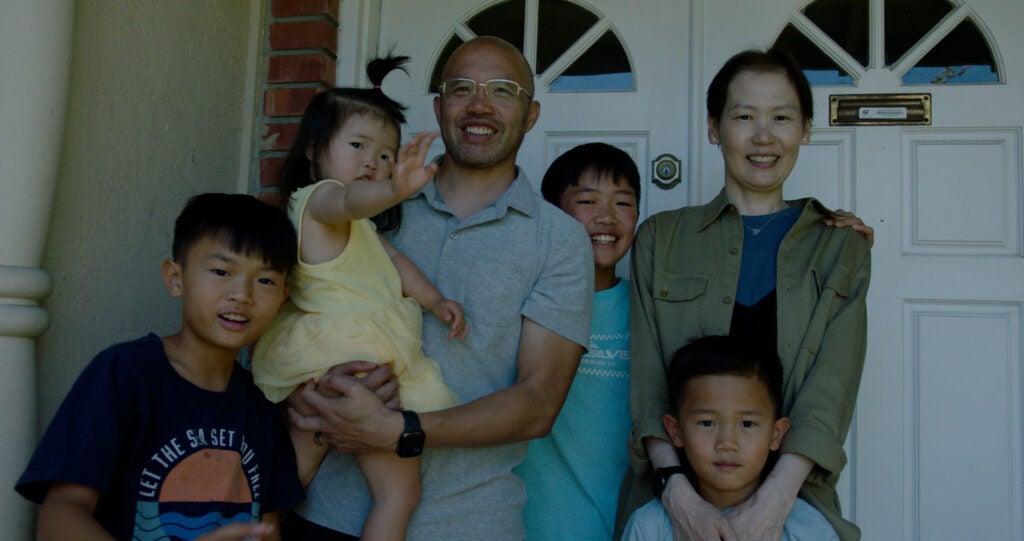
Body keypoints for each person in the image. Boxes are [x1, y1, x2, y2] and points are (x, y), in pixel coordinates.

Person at [281, 36, 594, 541]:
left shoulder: (557, 239)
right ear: (438, 106)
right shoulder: (370, 196)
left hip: (471, 524)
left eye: (503, 90)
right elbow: (289, 302)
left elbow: (538, 403)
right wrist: (314, 387)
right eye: (462, 88)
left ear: (531, 113)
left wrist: (400, 428)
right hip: (327, 514)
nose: (479, 104)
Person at [623, 47, 872, 541]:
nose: (763, 136)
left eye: (781, 117)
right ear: (715, 128)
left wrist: (775, 502)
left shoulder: (840, 244)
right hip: (670, 502)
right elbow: (648, 382)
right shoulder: (660, 238)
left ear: (805, 128)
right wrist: (677, 493)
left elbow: (832, 389)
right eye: (743, 117)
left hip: (796, 504)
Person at [250, 56, 466, 541]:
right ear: (314, 151)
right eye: (358, 145)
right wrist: (394, 188)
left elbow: (397, 264)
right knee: (391, 494)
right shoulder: (320, 201)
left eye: (386, 153)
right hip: (347, 361)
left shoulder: (359, 227)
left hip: (341, 364)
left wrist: (435, 301)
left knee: (288, 485)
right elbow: (351, 199)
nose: (373, 160)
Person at [16, 193, 305, 541]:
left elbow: (265, 529)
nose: (242, 294)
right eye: (221, 271)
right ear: (175, 278)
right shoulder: (124, 374)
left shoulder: (261, 408)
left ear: (283, 297)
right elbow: (59, 518)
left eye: (265, 280)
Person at [514, 142, 640, 540]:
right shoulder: (525, 304)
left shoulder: (648, 309)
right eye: (587, 201)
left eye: (623, 203)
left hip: (625, 526)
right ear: (551, 212)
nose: (606, 217)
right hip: (526, 525)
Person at [622, 335, 839, 540]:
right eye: (707, 423)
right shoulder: (649, 526)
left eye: (747, 424)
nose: (727, 443)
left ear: (776, 434)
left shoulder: (810, 531)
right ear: (675, 431)